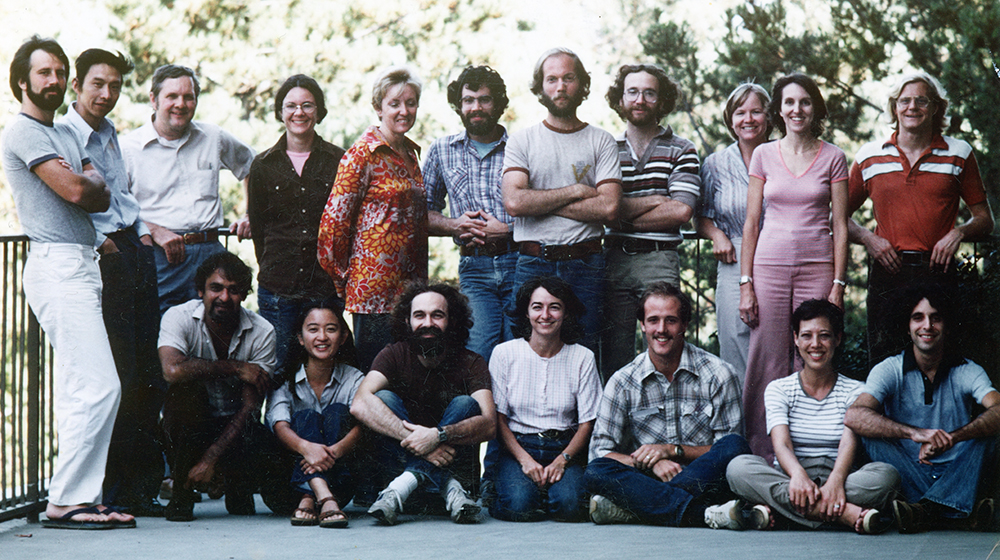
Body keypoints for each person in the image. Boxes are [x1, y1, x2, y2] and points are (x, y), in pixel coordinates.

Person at [2, 35, 133, 530]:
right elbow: (81, 188)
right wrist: (84, 182)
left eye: (59, 72)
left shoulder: (66, 134)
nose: (54, 80)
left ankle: (74, 496)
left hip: (83, 263)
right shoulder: (23, 132)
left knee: (81, 388)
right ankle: (67, 501)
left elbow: (102, 194)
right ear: (22, 81)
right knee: (103, 386)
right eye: (44, 73)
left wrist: (86, 184)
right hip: (56, 266)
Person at [57, 47, 165, 517]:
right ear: (77, 85)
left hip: (132, 250)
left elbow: (120, 195)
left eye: (116, 86)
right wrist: (107, 245)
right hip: (103, 256)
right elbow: (71, 197)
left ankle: (139, 486)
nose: (107, 93)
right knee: (115, 371)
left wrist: (139, 235)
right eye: (98, 83)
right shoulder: (63, 134)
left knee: (145, 371)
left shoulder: (109, 132)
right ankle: (108, 489)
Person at [847, 72, 994, 368]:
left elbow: (984, 220)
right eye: (905, 100)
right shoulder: (870, 156)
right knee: (884, 361)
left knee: (942, 362)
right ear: (894, 108)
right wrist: (868, 238)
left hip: (938, 271)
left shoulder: (959, 153)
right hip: (889, 270)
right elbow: (836, 218)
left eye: (921, 100)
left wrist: (958, 234)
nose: (912, 106)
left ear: (935, 108)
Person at [739, 73, 849, 461]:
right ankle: (761, 451)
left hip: (818, 265)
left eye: (804, 102)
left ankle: (814, 447)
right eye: (789, 102)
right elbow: (752, 222)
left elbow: (839, 224)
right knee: (766, 354)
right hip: (768, 266)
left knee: (815, 350)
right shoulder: (763, 154)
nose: (797, 109)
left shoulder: (834, 156)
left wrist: (838, 282)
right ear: (779, 110)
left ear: (815, 108)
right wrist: (746, 282)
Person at [720, 300, 899, 533]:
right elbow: (781, 444)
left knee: (887, 476)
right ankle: (844, 514)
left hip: (841, 476)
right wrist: (798, 476)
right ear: (795, 338)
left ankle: (782, 513)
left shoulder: (855, 390)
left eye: (824, 335)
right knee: (738, 468)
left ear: (838, 338)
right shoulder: (779, 389)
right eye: (806, 336)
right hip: (791, 476)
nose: (815, 344)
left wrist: (835, 482)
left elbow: (848, 444)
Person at [584, 282, 749, 527]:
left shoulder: (719, 374)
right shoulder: (622, 381)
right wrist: (653, 462)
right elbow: (599, 451)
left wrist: (671, 450)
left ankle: (638, 511)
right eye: (653, 320)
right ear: (642, 325)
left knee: (735, 446)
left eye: (671, 320)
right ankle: (703, 514)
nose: (661, 329)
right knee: (596, 470)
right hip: (646, 478)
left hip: (702, 477)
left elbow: (727, 448)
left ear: (684, 324)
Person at [845, 285, 1000, 533]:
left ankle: (923, 511)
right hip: (910, 470)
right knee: (867, 433)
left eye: (936, 318)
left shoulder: (966, 369)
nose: (927, 325)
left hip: (959, 470)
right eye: (918, 317)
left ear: (947, 326)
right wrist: (915, 433)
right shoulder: (890, 369)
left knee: (989, 434)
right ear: (907, 326)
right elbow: (854, 415)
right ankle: (956, 511)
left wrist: (952, 438)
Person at [502, 47, 621, 354]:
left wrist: (540, 201)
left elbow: (608, 207)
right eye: (551, 79)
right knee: (523, 352)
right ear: (540, 88)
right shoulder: (522, 140)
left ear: (582, 84)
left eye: (569, 78)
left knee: (584, 352)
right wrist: (577, 191)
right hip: (533, 262)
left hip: (586, 264)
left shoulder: (601, 140)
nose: (560, 86)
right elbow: (514, 202)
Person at [158, 251, 291, 522]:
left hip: (236, 428)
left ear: (243, 295)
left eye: (233, 290)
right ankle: (182, 492)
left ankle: (233, 482)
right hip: (192, 424)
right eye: (215, 288)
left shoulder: (262, 331)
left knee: (251, 493)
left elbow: (250, 407)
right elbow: (172, 370)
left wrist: (211, 460)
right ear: (200, 290)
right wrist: (237, 367)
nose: (224, 298)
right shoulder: (178, 317)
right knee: (184, 394)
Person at [350, 283, 496, 525]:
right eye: (420, 315)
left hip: (404, 495)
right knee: (382, 398)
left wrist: (438, 435)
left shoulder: (472, 362)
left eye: (437, 315)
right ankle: (443, 485)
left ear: (452, 320)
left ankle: (406, 484)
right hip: (423, 495)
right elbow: (359, 404)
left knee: (465, 404)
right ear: (407, 321)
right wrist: (424, 441)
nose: (428, 323)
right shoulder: (393, 354)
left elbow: (490, 424)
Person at [120, 64, 255, 313]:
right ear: (153, 99)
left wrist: (251, 214)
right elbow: (114, 208)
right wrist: (154, 230)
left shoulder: (213, 137)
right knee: (160, 336)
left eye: (188, 97)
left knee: (217, 335)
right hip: (161, 257)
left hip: (210, 256)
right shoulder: (128, 148)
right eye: (171, 96)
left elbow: (254, 167)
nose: (180, 104)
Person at [317, 66, 428, 372]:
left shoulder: (411, 154)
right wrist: (345, 280)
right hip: (374, 294)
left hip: (411, 292)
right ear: (378, 107)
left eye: (411, 103)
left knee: (407, 377)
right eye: (395, 104)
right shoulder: (361, 155)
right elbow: (333, 225)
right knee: (377, 377)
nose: (404, 111)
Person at [601, 64, 700, 377]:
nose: (639, 99)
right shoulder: (605, 149)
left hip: (659, 258)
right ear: (620, 99)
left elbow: (681, 211)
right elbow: (601, 209)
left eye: (649, 93)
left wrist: (618, 215)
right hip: (613, 259)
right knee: (613, 351)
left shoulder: (682, 149)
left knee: (664, 347)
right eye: (632, 92)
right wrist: (655, 201)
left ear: (662, 100)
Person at [248, 74, 345, 375]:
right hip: (279, 287)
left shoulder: (339, 161)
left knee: (326, 368)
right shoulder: (263, 165)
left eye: (307, 105)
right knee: (278, 369)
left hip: (325, 286)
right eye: (291, 106)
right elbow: (259, 229)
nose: (299, 112)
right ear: (280, 112)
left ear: (319, 111)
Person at [489, 277, 602, 522]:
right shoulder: (504, 353)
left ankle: (543, 493)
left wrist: (562, 461)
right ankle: (510, 489)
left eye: (555, 307)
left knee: (570, 507)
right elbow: (498, 418)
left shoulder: (582, 357)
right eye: (537, 306)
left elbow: (587, 423)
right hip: (519, 447)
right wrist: (525, 461)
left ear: (566, 313)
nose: (545, 315)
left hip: (564, 448)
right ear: (526, 312)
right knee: (519, 506)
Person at [425, 65, 514, 363]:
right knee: (479, 350)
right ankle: (481, 411)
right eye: (468, 100)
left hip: (520, 262)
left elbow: (541, 208)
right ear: (459, 105)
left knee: (518, 350)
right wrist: (454, 225)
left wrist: (509, 230)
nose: (476, 107)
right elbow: (422, 214)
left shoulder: (521, 148)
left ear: (499, 103)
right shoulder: (442, 150)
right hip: (475, 268)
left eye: (485, 99)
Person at [696, 83, 772, 385]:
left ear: (770, 117)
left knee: (775, 345)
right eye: (740, 112)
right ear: (730, 120)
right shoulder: (715, 164)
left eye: (756, 111)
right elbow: (699, 218)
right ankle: (740, 428)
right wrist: (716, 235)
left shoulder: (783, 155)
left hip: (776, 255)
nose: (748, 119)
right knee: (735, 343)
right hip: (733, 258)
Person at [266, 302, 364, 528]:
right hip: (287, 488)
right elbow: (279, 426)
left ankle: (309, 497)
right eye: (313, 329)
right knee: (304, 417)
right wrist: (306, 449)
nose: (322, 337)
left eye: (331, 329)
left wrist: (333, 452)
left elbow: (363, 425)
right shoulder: (285, 380)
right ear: (300, 338)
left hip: (340, 481)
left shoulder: (355, 378)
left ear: (343, 336)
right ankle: (321, 496)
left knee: (337, 412)